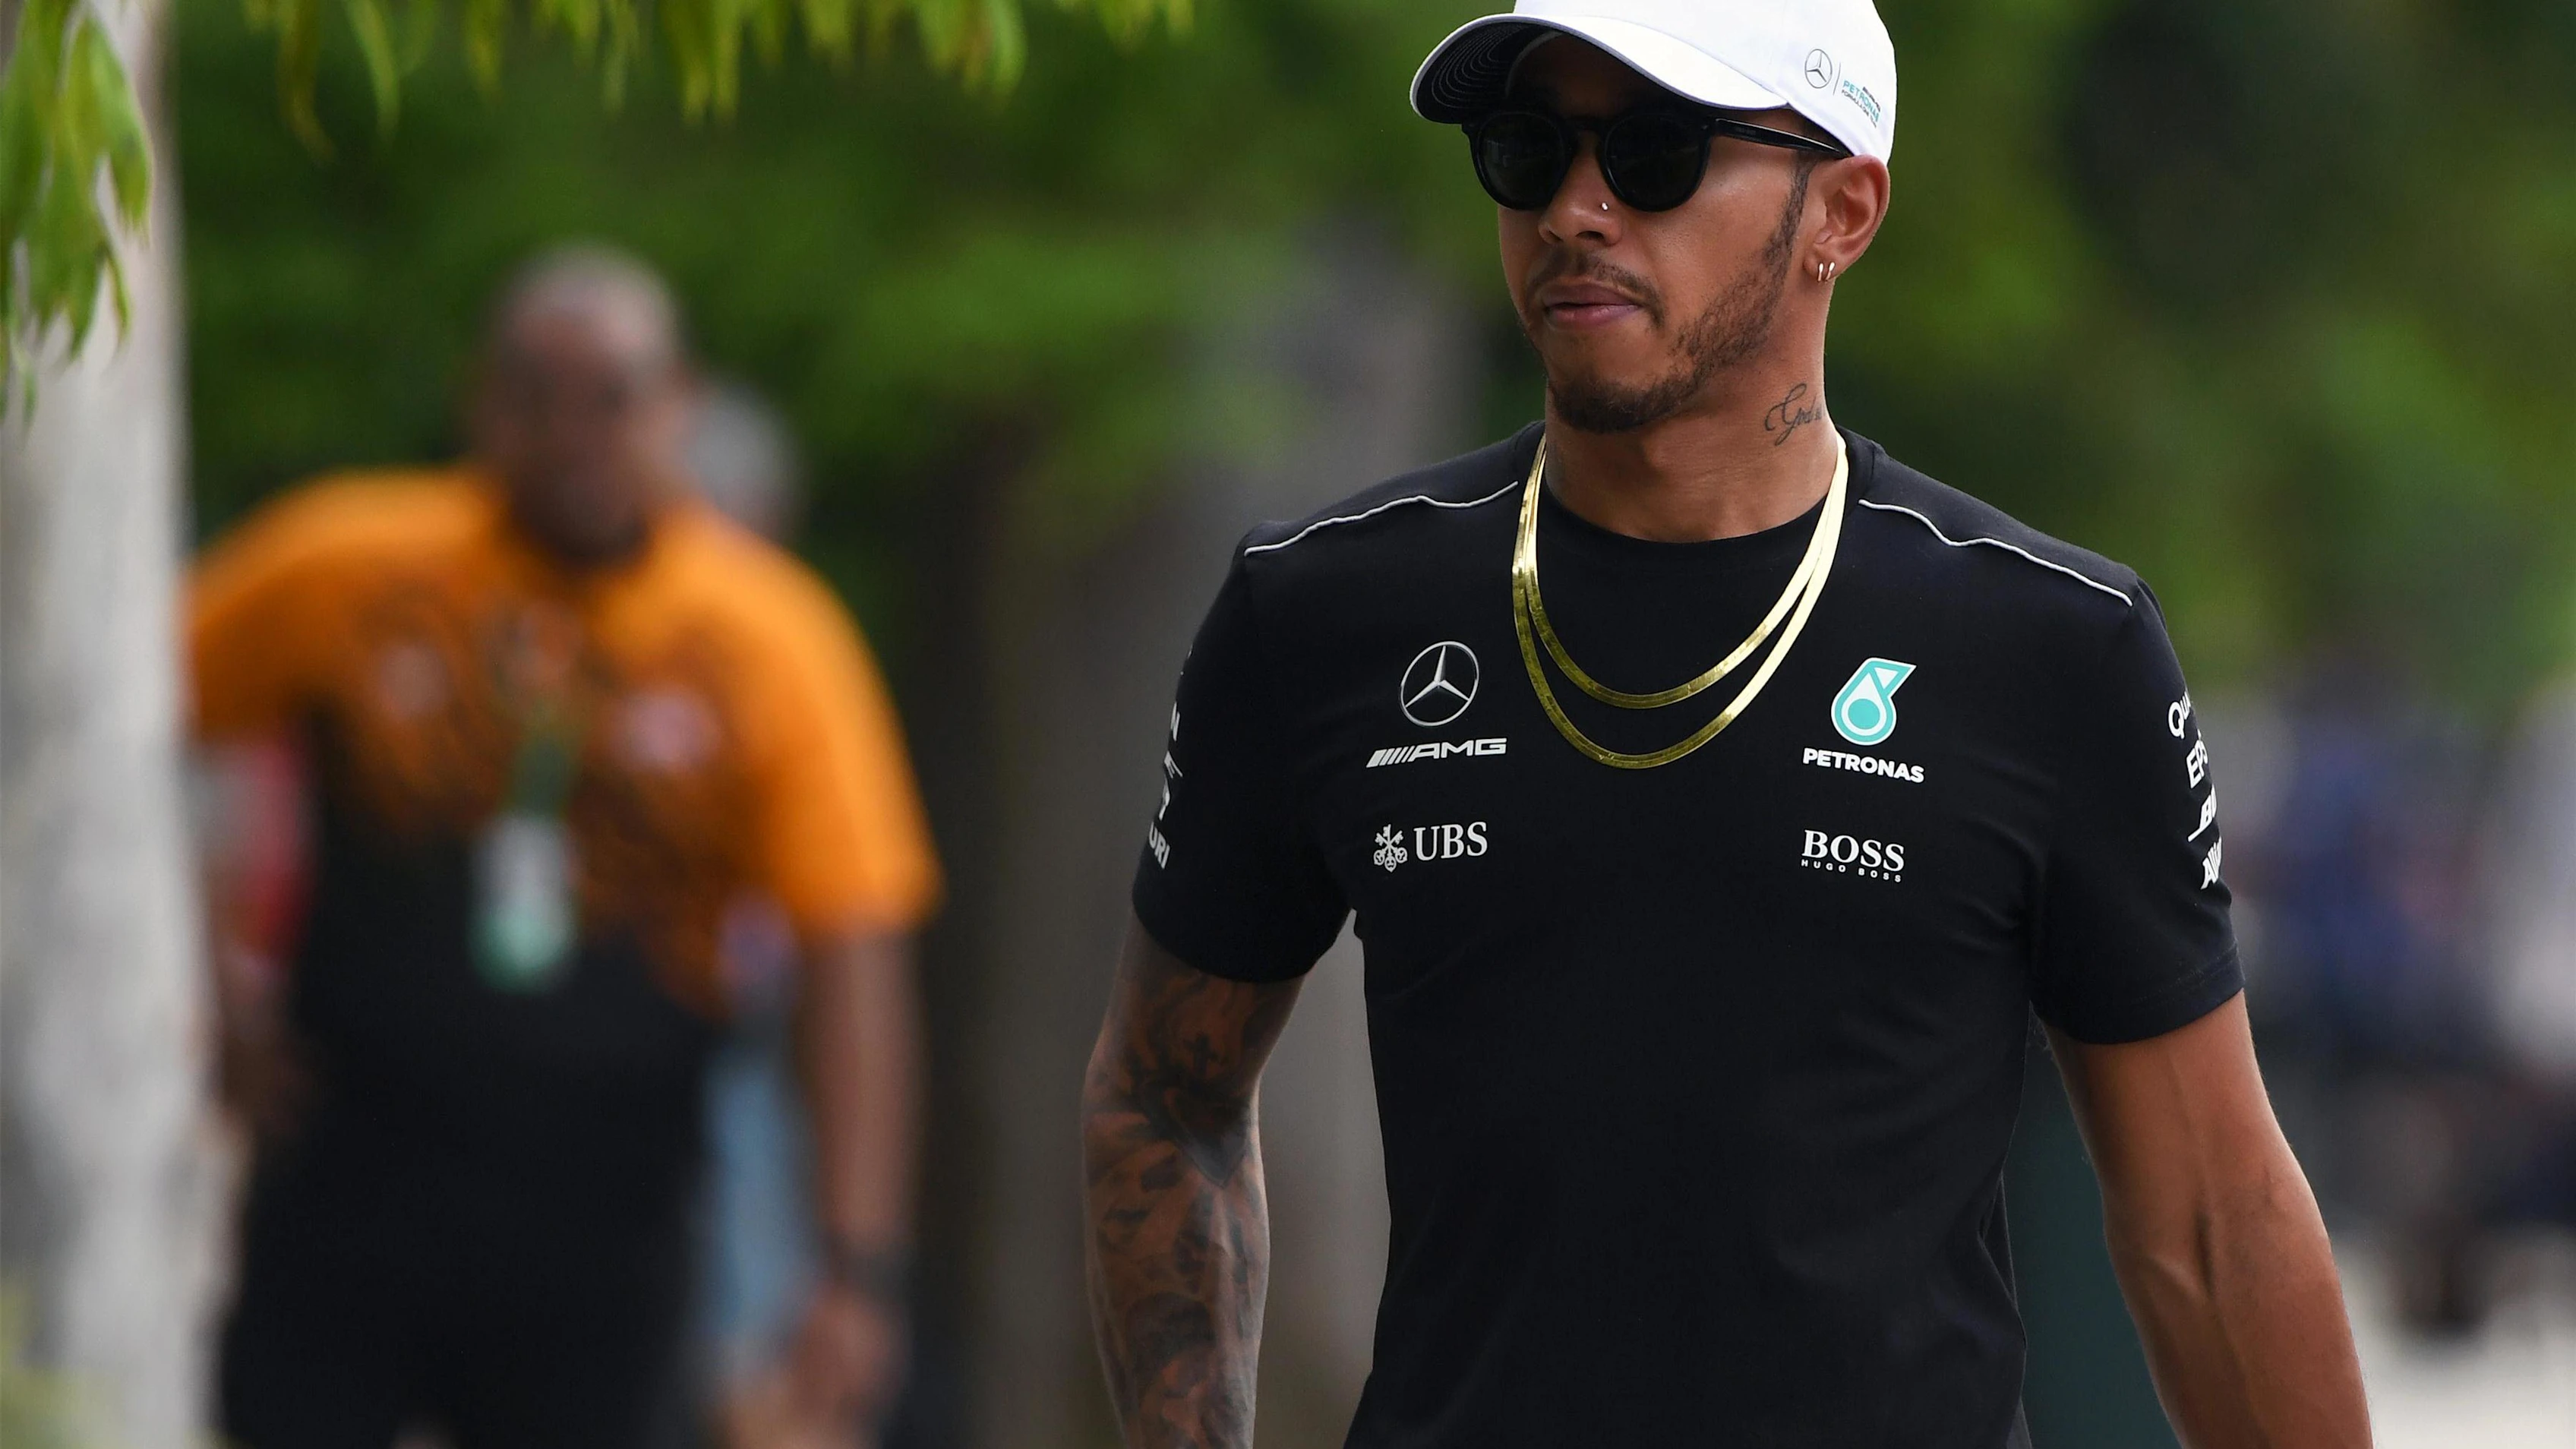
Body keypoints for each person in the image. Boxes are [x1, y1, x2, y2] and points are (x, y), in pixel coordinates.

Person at [1079, 3, 2372, 1445]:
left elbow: (2204, 1220)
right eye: (1527, 150)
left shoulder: (2049, 646)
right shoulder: (1323, 610)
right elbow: (1162, 1099)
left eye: (1654, 150)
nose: (1576, 209)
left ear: (1844, 207)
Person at [193, 248, 939, 1449]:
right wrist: (208, 991)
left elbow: (855, 948)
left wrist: (858, 1263)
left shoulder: (769, 639)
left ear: (679, 405)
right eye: (536, 395)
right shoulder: (345, 565)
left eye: (616, 396)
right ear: (481, 404)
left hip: (612, 1206)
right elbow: (122, 720)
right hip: (351, 1170)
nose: (575, 431)